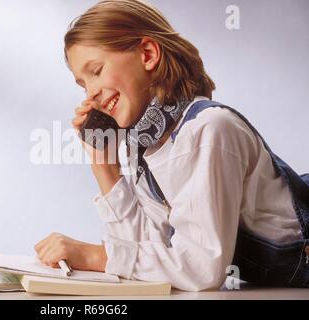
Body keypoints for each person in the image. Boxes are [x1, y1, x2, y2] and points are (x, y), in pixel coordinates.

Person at [34, 0, 309, 291]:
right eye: (82, 85)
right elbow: (147, 250)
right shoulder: (145, 148)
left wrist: (93, 255)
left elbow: (201, 269)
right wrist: (103, 163)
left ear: (148, 54)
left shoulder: (209, 130)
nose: (91, 94)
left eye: (97, 71)